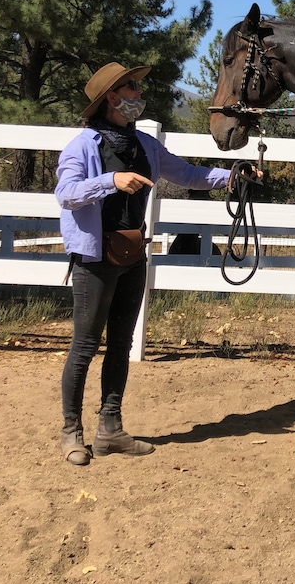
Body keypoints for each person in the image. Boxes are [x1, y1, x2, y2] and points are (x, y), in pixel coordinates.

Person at [55, 62, 233, 466]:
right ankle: (71, 433)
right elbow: (65, 194)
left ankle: (110, 429)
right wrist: (110, 182)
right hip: (94, 259)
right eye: (132, 86)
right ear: (112, 98)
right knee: (84, 346)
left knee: (120, 344)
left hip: (132, 255)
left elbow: (188, 174)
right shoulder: (83, 146)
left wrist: (231, 177)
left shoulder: (144, 145)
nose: (139, 91)